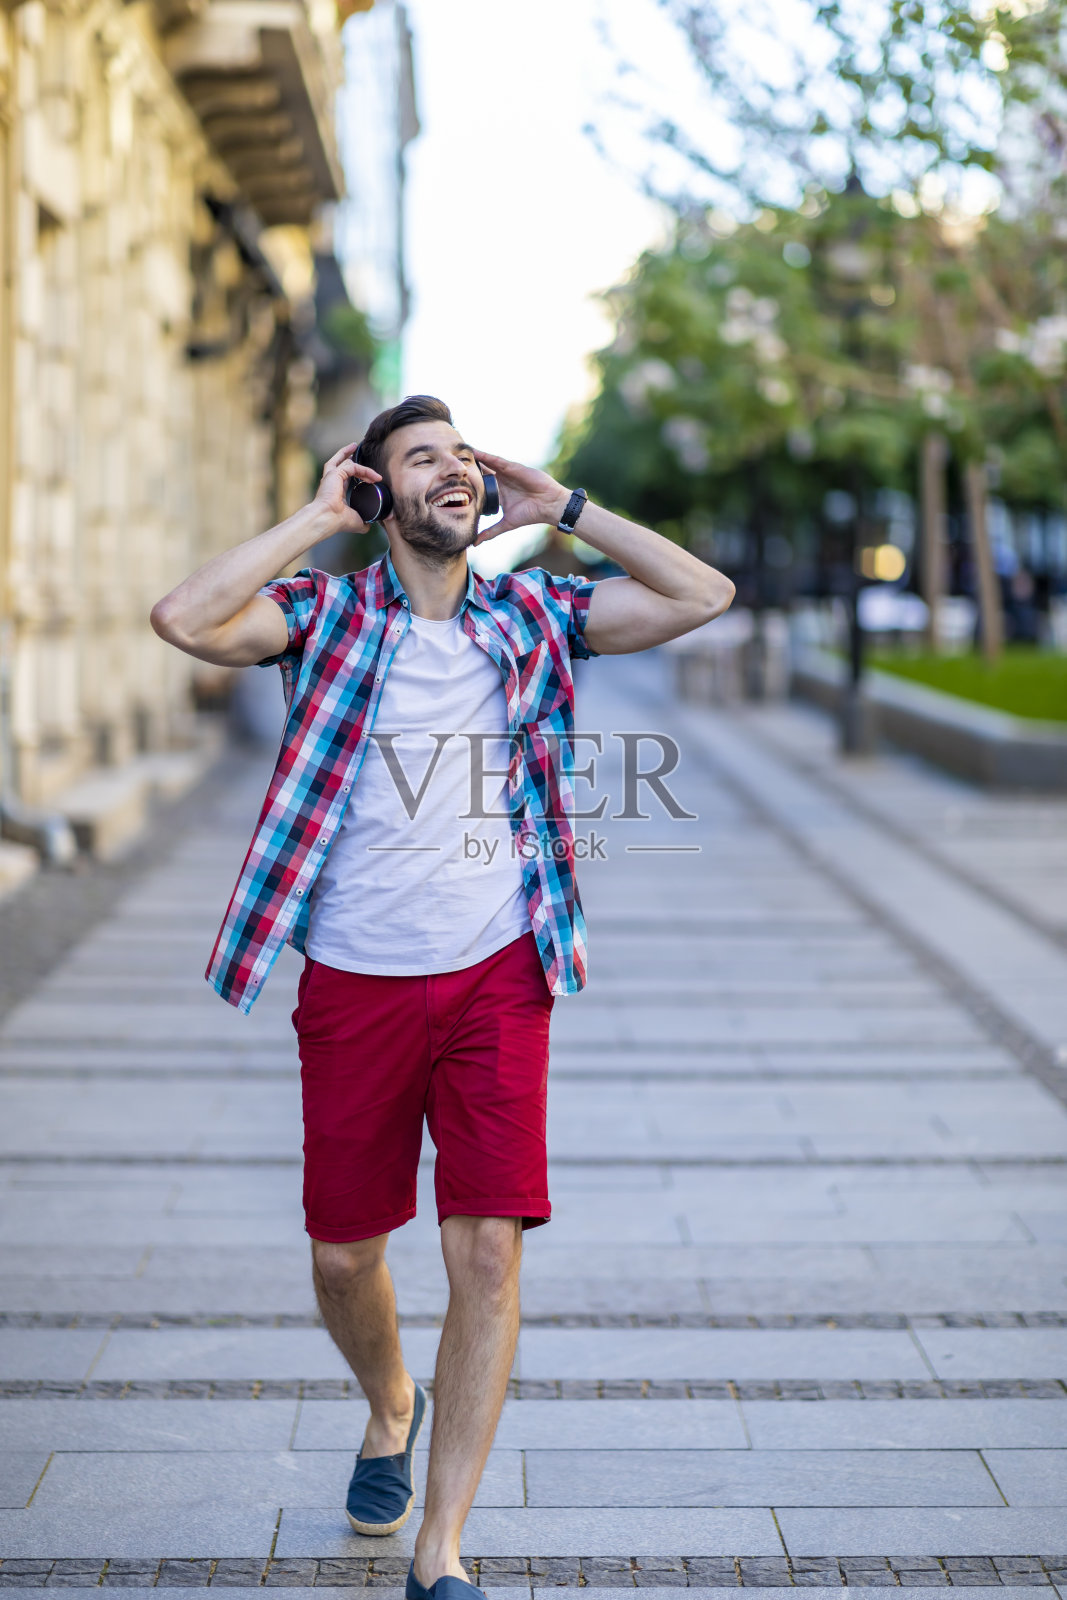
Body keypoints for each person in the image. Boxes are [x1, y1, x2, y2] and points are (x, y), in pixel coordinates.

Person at [150, 395, 734, 1599]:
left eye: (465, 456)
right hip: (355, 980)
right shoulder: (323, 615)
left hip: (496, 972)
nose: (456, 471)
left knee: (486, 1254)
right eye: (425, 458)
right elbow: (182, 617)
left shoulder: (532, 612)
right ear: (377, 491)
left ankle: (442, 1550)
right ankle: (389, 1401)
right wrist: (314, 518)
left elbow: (699, 595)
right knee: (342, 1255)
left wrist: (565, 508)